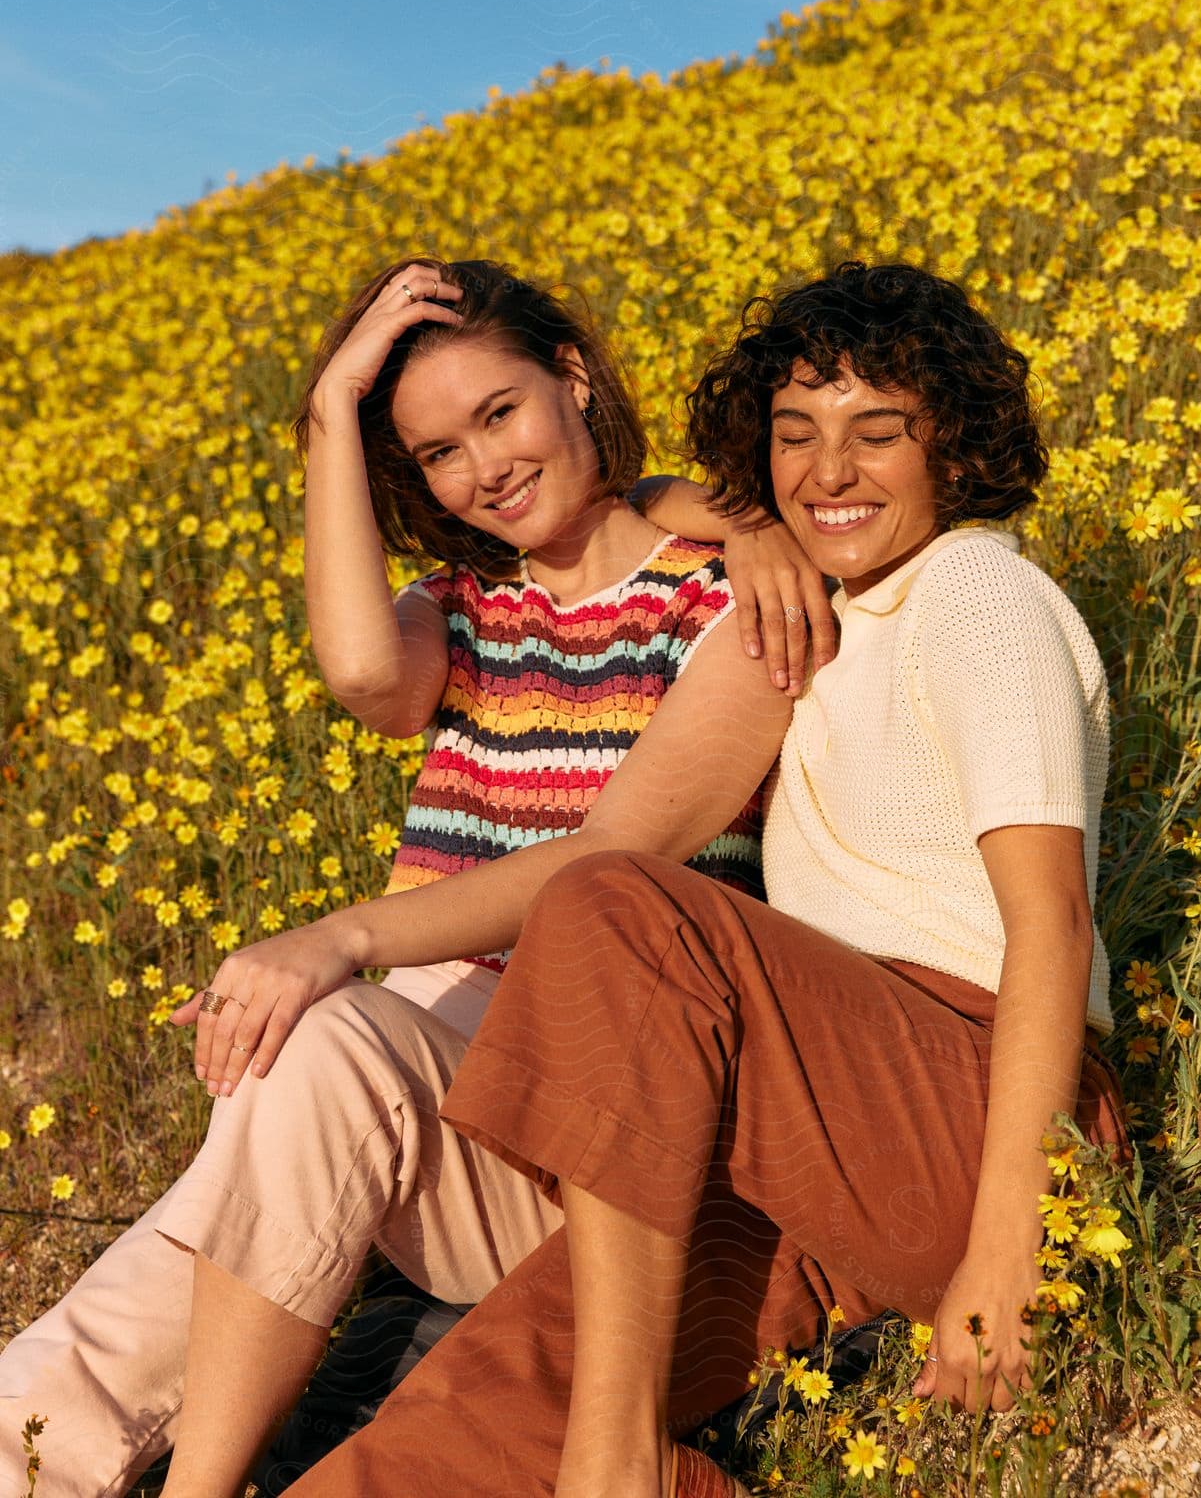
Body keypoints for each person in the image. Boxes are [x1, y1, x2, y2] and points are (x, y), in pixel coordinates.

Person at [283, 260, 1129, 1498]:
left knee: (612, 899)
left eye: (875, 435)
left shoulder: (975, 594)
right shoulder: (814, 614)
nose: (829, 472)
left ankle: (614, 1465)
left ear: (953, 444)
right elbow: (666, 501)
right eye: (795, 439)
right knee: (450, 1424)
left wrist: (1010, 1249)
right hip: (824, 1133)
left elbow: (1049, 926)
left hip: (976, 1091)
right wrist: (733, 520)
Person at [0, 255, 829, 1498]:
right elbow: (358, 672)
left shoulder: (725, 601)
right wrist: (330, 412)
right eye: (439, 451)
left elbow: (619, 853)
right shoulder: (469, 607)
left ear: (573, 378)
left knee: (320, 1041)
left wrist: (340, 940)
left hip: (605, 1117)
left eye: (499, 413)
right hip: (433, 1066)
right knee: (272, 1115)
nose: (483, 466)